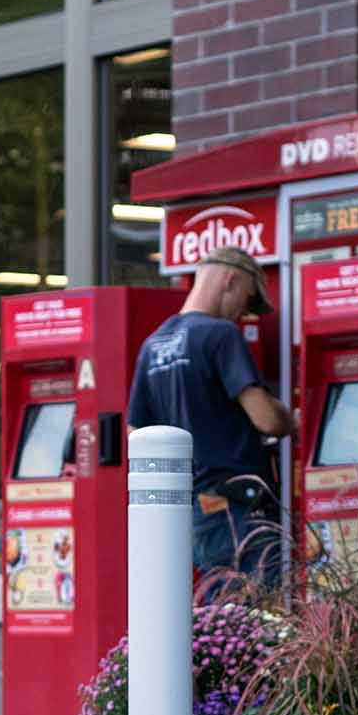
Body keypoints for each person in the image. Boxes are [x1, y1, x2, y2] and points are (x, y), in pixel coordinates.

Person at [128, 245, 296, 579]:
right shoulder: (220, 335)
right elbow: (267, 419)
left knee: (222, 613)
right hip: (237, 504)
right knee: (259, 617)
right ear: (230, 279)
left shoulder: (154, 345)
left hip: (194, 511)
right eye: (247, 300)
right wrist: (291, 418)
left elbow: (136, 433)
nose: (242, 312)